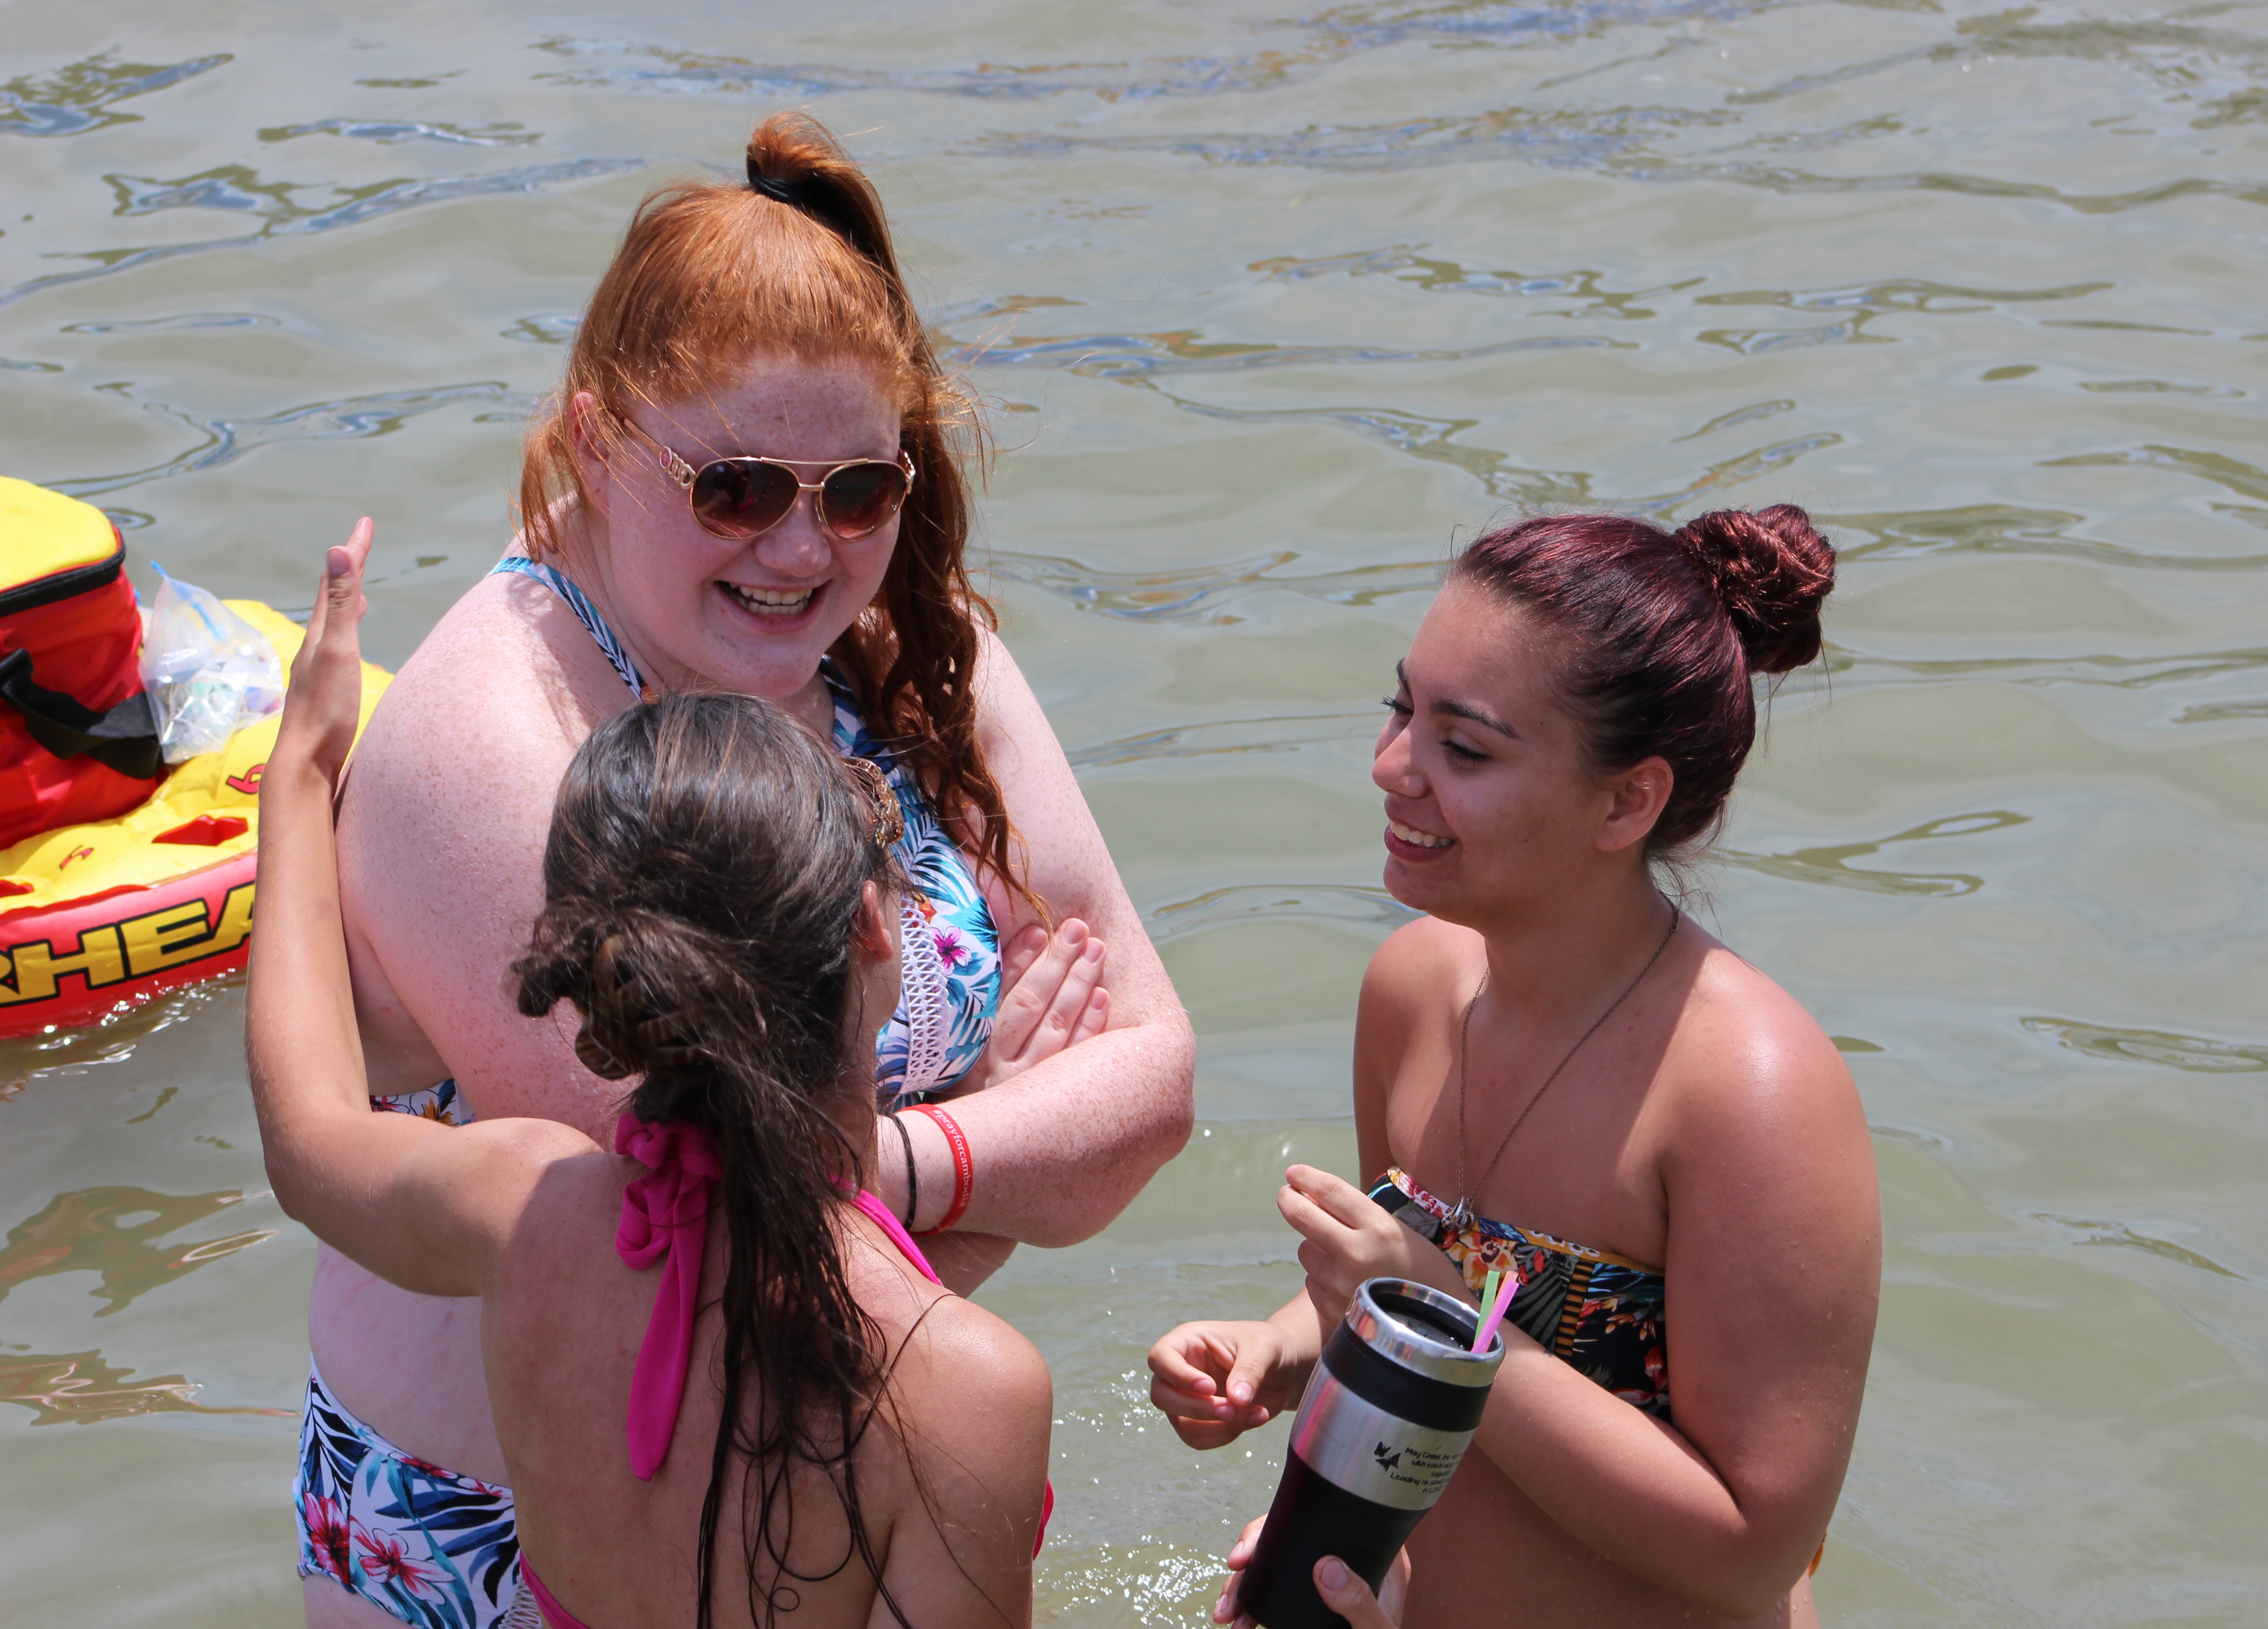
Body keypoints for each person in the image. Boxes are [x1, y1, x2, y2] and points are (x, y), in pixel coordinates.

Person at [304, 114, 1194, 1629]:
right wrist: (1009, 1137)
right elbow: (715, 1270)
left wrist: (906, 1164)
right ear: (594, 441)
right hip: (500, 1533)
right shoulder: (494, 735)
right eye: (736, 490)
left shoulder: (910, 644)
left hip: (831, 1471)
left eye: (859, 491)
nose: (803, 550)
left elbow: (1157, 1082)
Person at [255, 534, 1051, 1629]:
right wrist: (992, 1138)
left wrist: (299, 773)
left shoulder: (519, 1213)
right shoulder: (958, 1385)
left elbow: (308, 1141)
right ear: (874, 931)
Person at [1149, 507, 1882, 1627]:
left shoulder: (1749, 1090)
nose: (1393, 767)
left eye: (1466, 748)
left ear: (1627, 800)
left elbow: (1751, 1548)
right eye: (1403, 707)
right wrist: (1281, 1352)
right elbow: (1398, 1296)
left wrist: (1457, 1327)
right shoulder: (1411, 989)